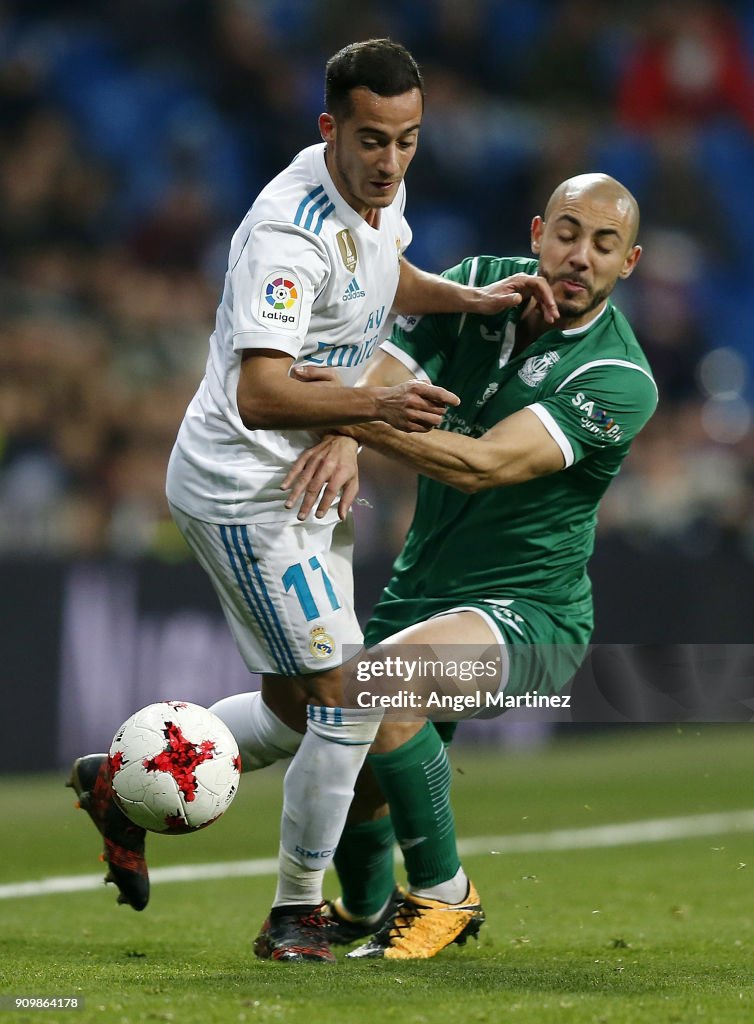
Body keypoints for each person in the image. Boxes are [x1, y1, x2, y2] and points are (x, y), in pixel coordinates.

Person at [66, 38, 557, 964]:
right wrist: (371, 408)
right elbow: (260, 390)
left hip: (301, 485)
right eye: (372, 141)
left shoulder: (378, 196)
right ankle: (297, 911)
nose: (391, 162)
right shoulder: (286, 231)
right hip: (243, 488)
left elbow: (381, 282)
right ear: (330, 128)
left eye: (408, 141)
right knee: (351, 694)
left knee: (301, 711)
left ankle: (122, 786)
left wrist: (472, 299)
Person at [282, 171, 657, 959]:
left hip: (532, 615)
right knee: (341, 753)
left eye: (603, 244)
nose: (579, 255)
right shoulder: (478, 286)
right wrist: (351, 428)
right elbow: (389, 376)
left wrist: (353, 418)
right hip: (422, 589)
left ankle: (445, 896)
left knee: (379, 689)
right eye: (566, 231)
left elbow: (482, 465)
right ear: (536, 232)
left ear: (630, 263)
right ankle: (361, 911)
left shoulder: (617, 379)